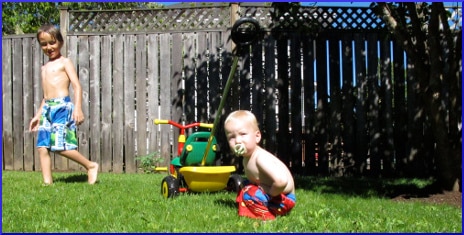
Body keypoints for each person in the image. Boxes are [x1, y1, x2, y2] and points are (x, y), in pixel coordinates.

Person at [29, 24, 98, 185]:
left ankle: (90, 166)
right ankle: (47, 183)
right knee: (42, 147)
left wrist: (78, 107)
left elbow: (77, 86)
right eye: (44, 44)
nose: (48, 47)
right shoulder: (44, 68)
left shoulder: (65, 62)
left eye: (52, 42)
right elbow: (45, 97)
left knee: (59, 146)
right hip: (47, 108)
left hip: (62, 107)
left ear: (60, 42)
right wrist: (38, 115)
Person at [224, 110, 296, 220]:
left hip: (284, 198)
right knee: (244, 185)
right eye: (231, 137)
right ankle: (251, 207)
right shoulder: (247, 157)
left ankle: (267, 217)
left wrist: (269, 195)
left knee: (249, 193)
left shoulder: (260, 158)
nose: (238, 141)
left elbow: (281, 181)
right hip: (274, 192)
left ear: (257, 136)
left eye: (243, 134)